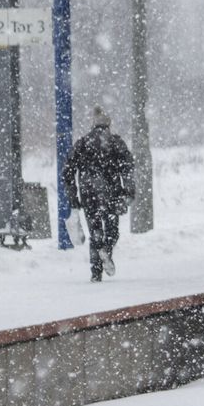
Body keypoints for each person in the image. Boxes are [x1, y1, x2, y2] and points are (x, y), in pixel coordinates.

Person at [63, 106, 135, 282]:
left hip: (88, 193)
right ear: (108, 125)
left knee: (95, 231)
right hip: (112, 192)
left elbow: (68, 170)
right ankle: (106, 251)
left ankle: (96, 272)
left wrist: (73, 196)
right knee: (112, 231)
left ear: (93, 124)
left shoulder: (82, 143)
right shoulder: (115, 142)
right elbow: (127, 168)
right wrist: (129, 191)